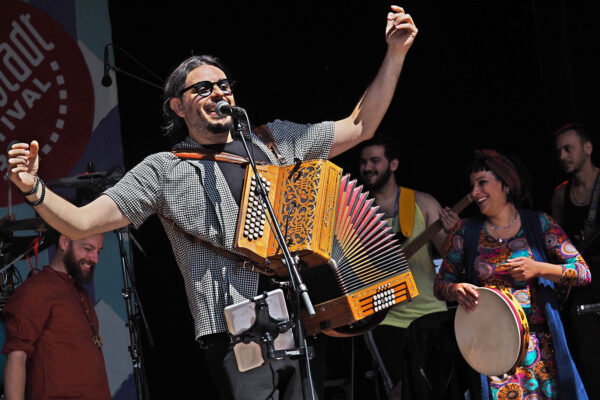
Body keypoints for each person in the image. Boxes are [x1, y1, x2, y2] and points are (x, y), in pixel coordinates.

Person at [6, 5, 418, 399]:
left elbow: (361, 125)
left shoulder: (274, 140)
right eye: (203, 87)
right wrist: (32, 187)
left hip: (301, 319)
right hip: (235, 330)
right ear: (178, 106)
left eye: (224, 85)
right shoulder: (164, 170)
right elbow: (81, 223)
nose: (218, 92)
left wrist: (395, 53)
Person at [433, 149, 590, 400]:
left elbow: (582, 272)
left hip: (543, 352)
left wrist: (540, 268)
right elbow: (441, 284)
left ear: (506, 184)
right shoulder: (465, 231)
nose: (474, 193)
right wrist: (454, 290)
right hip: (494, 357)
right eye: (472, 185)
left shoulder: (539, 223)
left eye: (482, 183)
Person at [356, 137, 462, 399]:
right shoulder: (355, 212)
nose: (368, 167)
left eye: (375, 161)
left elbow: (451, 258)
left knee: (440, 390)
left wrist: (454, 234)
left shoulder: (422, 203)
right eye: (363, 162)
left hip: (430, 311)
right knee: (401, 393)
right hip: (384, 319)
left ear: (393, 164)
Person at [2, 233, 109, 400]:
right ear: (65, 242)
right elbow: (16, 356)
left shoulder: (79, 291)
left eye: (98, 251)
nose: (95, 258)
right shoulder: (36, 290)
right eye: (88, 249)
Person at [551, 122, 600, 399]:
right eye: (559, 151)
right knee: (590, 365)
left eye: (568, 149)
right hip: (580, 287)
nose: (562, 156)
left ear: (588, 148)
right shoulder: (561, 194)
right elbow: (556, 246)